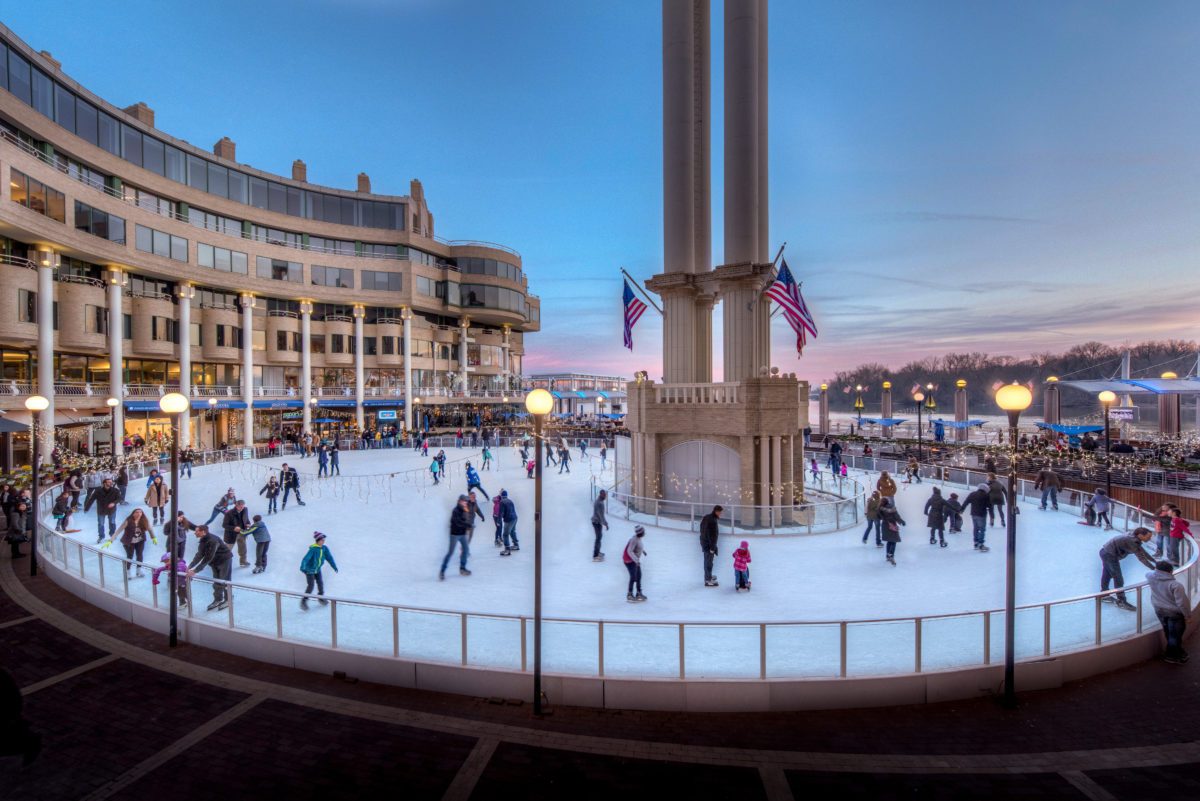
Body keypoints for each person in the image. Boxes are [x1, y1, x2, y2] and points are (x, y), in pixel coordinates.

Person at [1099, 528, 1156, 611]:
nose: (1150, 539)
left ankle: (1104, 594)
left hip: (1105, 552)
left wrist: (1154, 561)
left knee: (1107, 574)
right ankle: (1121, 601)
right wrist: (1154, 568)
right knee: (1118, 578)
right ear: (1140, 535)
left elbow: (1142, 551)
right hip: (1109, 555)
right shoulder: (1132, 541)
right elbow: (1141, 558)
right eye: (1148, 537)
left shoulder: (1134, 539)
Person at [1147, 560, 1191, 663]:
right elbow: (1182, 603)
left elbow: (1148, 573)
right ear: (1170, 571)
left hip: (1159, 610)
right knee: (1175, 635)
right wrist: (1187, 616)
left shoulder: (1150, 577)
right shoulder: (1175, 585)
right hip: (1174, 613)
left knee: (1169, 632)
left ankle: (1178, 652)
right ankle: (1171, 655)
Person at [187, 525, 233, 611]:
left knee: (225, 580)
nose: (195, 533)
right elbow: (200, 554)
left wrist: (195, 570)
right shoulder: (203, 540)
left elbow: (208, 557)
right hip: (215, 562)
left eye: (197, 531)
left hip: (224, 560)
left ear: (203, 532)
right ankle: (218, 599)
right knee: (216, 580)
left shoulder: (213, 540)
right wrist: (190, 566)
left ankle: (228, 599)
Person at [103, 507, 157, 577]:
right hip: (129, 542)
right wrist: (110, 540)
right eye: (137, 512)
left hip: (140, 541)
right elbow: (118, 530)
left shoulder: (144, 520)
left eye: (140, 512)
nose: (139, 514)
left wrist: (153, 537)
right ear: (133, 514)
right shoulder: (128, 521)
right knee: (130, 556)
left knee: (140, 555)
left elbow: (150, 529)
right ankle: (128, 571)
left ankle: (138, 571)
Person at [300, 532, 339, 608]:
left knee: (320, 584)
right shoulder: (313, 549)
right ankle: (304, 601)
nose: (323, 542)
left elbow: (329, 558)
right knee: (311, 585)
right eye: (322, 540)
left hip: (317, 570)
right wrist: (303, 567)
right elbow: (305, 559)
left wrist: (334, 566)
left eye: (324, 540)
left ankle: (321, 598)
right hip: (309, 570)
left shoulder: (324, 548)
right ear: (318, 540)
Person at [440, 496, 474, 579]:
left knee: (466, 550)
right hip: (455, 534)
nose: (465, 503)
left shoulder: (465, 509)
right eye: (464, 501)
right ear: (459, 501)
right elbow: (457, 522)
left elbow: (467, 519)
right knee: (450, 553)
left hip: (463, 534)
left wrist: (470, 524)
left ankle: (462, 568)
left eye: (466, 501)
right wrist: (468, 525)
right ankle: (442, 571)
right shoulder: (456, 510)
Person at [84, 477, 122, 544]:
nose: (111, 483)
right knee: (101, 524)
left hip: (111, 510)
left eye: (111, 482)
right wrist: (87, 508)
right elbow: (91, 499)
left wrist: (114, 503)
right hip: (101, 509)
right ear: (104, 483)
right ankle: (101, 536)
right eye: (109, 482)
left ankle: (112, 534)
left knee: (112, 522)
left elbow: (119, 498)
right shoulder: (98, 491)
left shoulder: (115, 490)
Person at [221, 499, 251, 568]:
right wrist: (233, 528)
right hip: (231, 535)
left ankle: (243, 562)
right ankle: (223, 563)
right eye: (240, 507)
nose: (242, 508)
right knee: (227, 550)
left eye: (243, 507)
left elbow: (246, 518)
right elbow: (224, 525)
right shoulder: (229, 513)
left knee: (243, 548)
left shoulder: (245, 510)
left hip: (242, 532)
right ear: (236, 506)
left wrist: (248, 523)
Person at [963, 483, 992, 552]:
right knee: (982, 529)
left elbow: (966, 502)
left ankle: (976, 543)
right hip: (982, 515)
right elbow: (990, 506)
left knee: (976, 528)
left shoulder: (972, 494)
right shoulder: (986, 495)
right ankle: (981, 544)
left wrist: (961, 510)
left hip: (973, 514)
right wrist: (992, 516)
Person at [879, 497, 906, 565]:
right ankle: (891, 554)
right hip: (892, 525)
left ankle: (888, 555)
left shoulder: (880, 508)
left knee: (889, 541)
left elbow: (878, 516)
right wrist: (902, 522)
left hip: (885, 525)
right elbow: (896, 516)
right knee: (894, 540)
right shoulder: (892, 507)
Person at [622, 525, 647, 602]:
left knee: (638, 576)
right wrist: (636, 561)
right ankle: (629, 594)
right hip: (629, 560)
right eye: (643, 531)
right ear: (640, 532)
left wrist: (643, 551)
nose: (644, 533)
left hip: (634, 560)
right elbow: (630, 551)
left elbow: (638, 547)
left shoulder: (638, 539)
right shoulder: (634, 540)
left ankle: (639, 593)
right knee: (633, 577)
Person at [700, 505, 722, 587]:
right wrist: (712, 548)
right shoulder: (713, 521)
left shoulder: (707, 517)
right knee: (709, 562)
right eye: (720, 512)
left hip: (704, 542)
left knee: (707, 561)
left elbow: (702, 529)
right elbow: (713, 536)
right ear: (717, 511)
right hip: (708, 545)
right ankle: (708, 580)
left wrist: (703, 540)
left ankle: (708, 576)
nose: (721, 514)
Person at [499, 489, 520, 554]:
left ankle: (507, 549)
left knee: (505, 534)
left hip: (508, 519)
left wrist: (498, 521)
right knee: (512, 531)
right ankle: (516, 545)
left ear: (501, 496)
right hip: (515, 518)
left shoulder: (502, 502)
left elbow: (500, 512)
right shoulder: (510, 501)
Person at [591, 489, 609, 561]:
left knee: (599, 537)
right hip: (596, 522)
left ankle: (597, 552)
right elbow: (601, 515)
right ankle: (595, 556)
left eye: (605, 495)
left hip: (597, 522)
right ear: (601, 494)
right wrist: (606, 524)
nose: (605, 496)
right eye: (604, 495)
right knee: (598, 538)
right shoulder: (599, 503)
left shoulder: (599, 501)